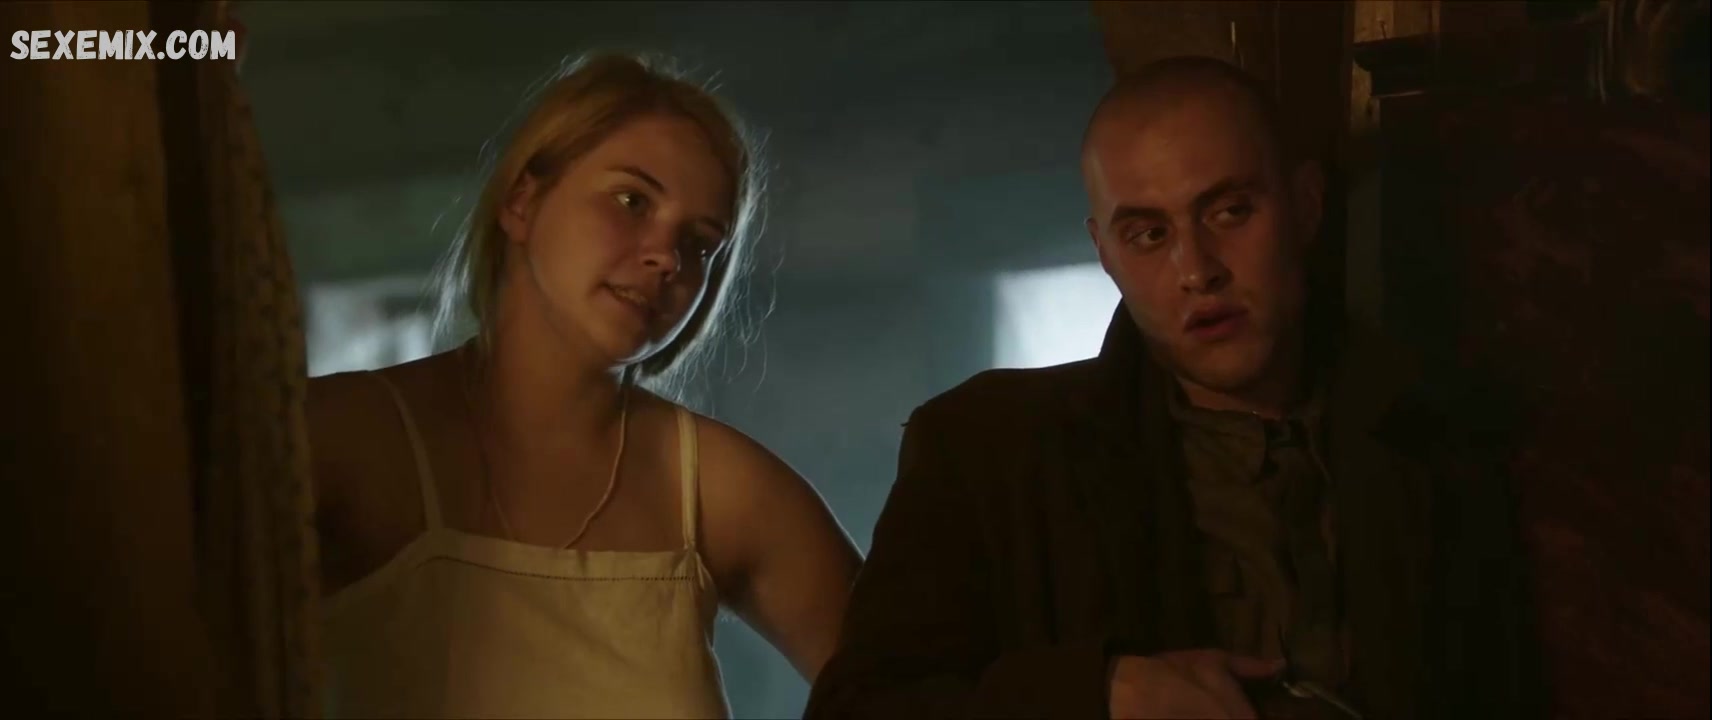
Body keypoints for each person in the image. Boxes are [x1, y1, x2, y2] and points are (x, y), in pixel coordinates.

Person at [805, 56, 1537, 720]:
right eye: (1149, 235)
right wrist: (1098, 693)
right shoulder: (988, 449)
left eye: (1230, 211)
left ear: (1307, 205)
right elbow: (858, 710)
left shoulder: (1444, 438)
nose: (1197, 268)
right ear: (1105, 254)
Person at [309, 52, 862, 719]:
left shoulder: (724, 490)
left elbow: (918, 690)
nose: (666, 256)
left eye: (700, 243)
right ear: (522, 200)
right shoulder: (348, 437)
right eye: (632, 201)